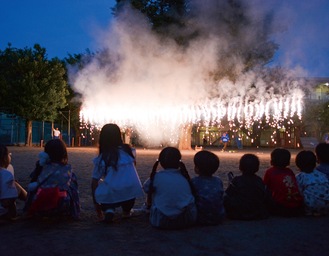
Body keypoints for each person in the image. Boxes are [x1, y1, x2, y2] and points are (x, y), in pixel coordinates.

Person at [91, 123, 144, 223]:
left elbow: (94, 181)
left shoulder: (103, 157)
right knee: (127, 190)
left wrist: (96, 204)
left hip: (112, 191)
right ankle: (126, 211)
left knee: (105, 190)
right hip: (130, 190)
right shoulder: (129, 151)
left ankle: (109, 209)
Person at [143, 147, 197, 229]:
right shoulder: (185, 176)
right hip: (186, 219)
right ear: (179, 162)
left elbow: (146, 188)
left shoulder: (156, 176)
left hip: (161, 220)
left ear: (160, 162)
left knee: (153, 190)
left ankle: (147, 208)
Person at [25, 139, 80, 219]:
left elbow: (33, 183)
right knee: (72, 186)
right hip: (61, 206)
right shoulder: (67, 169)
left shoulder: (40, 167)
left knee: (33, 186)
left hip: (40, 204)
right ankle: (73, 211)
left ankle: (28, 210)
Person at [224, 154, 270, 220]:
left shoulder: (237, 180)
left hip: (238, 213)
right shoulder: (259, 180)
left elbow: (228, 194)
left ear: (240, 167)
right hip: (257, 213)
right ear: (257, 168)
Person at [263, 148, 303, 217]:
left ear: (272, 160)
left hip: (280, 207)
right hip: (296, 206)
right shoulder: (289, 171)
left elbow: (265, 186)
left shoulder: (270, 172)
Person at [191, 150, 225, 225]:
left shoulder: (194, 182)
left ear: (197, 169)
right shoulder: (218, 181)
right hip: (218, 217)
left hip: (200, 217)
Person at [295, 150, 329, 216]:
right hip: (327, 206)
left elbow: (298, 191)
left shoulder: (300, 177)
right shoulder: (322, 175)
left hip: (310, 207)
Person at [0, 144, 27, 220]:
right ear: (5, 158)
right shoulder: (6, 173)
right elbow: (8, 199)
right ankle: (29, 201)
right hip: (2, 211)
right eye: (9, 154)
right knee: (16, 186)